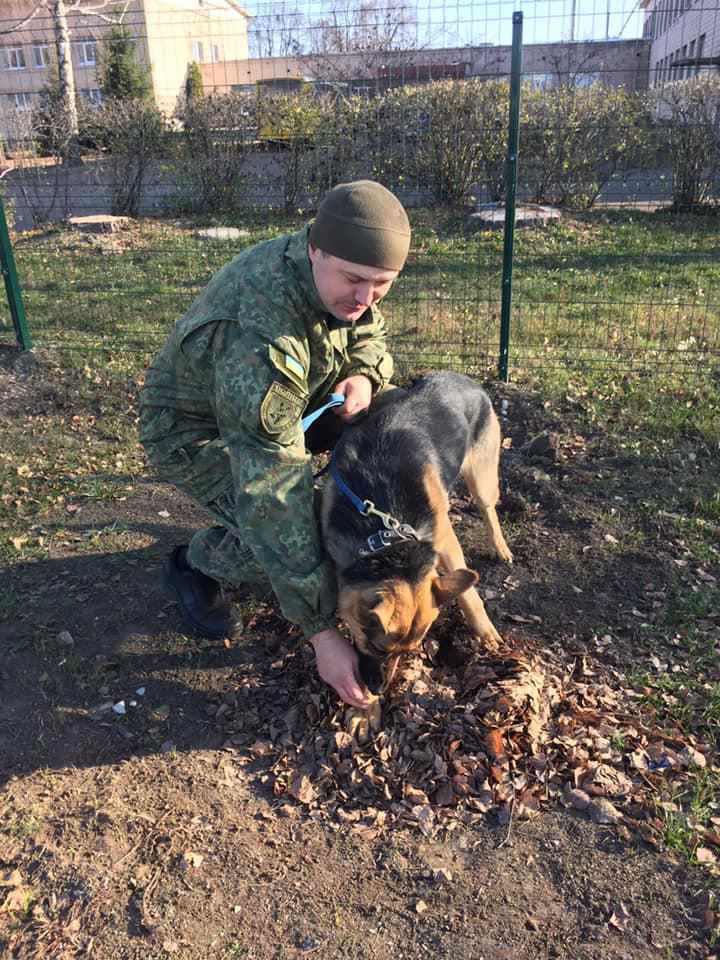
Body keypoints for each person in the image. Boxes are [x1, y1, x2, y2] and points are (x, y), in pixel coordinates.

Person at [139, 180, 411, 711]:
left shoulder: (337, 272)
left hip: (295, 407)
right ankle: (195, 562)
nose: (365, 298)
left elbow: (366, 332)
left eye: (382, 285)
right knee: (295, 533)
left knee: (388, 414)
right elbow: (272, 490)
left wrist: (362, 375)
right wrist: (321, 634)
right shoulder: (260, 335)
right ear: (315, 247)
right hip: (196, 435)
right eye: (356, 281)